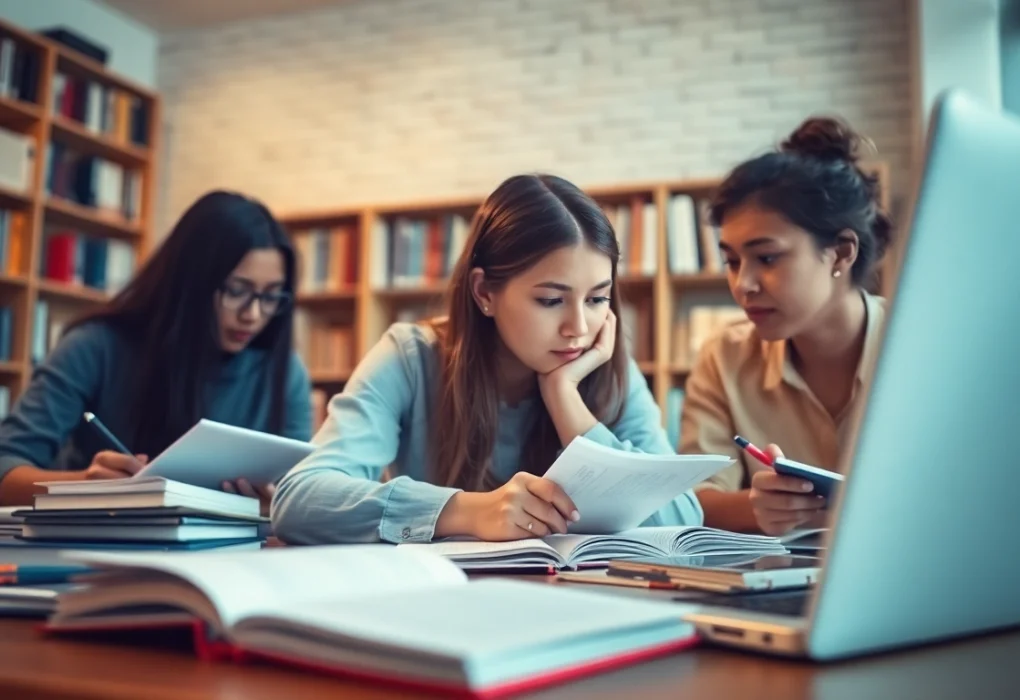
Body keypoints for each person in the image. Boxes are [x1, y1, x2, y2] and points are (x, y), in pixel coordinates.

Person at [272, 173, 703, 544]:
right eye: (551, 300)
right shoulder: (411, 356)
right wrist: (467, 511)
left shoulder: (605, 365)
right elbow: (300, 497)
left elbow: (684, 516)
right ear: (484, 293)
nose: (579, 327)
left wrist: (567, 403)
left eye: (597, 299)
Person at [0, 190, 312, 508]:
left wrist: (277, 503)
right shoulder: (94, 348)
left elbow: (301, 484)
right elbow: (5, 469)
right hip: (101, 545)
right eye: (237, 290)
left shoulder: (286, 373)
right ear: (190, 281)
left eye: (271, 296)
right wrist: (83, 485)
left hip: (229, 553)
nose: (253, 314)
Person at [679, 117, 893, 536]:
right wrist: (756, 507)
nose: (743, 285)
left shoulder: (920, 347)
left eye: (768, 257)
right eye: (732, 261)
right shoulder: (723, 358)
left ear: (840, 253)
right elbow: (695, 499)